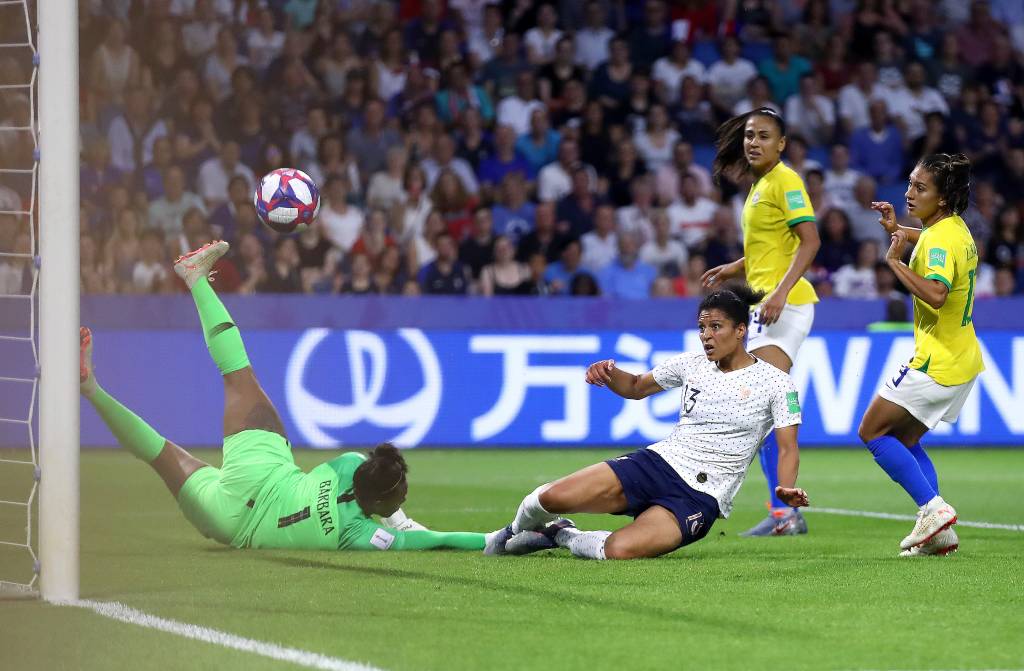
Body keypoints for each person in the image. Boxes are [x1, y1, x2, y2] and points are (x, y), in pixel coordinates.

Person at [79, 240, 488, 552]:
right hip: (232, 522)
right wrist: (493, 538)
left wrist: (399, 517)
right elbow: (434, 541)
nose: (404, 495)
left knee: (237, 374)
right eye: (400, 495)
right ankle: (90, 389)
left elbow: (379, 487)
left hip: (265, 468)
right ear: (382, 501)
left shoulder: (348, 464)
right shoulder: (356, 533)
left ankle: (196, 281)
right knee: (159, 454)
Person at [484, 286, 809, 560]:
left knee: (618, 550)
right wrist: (610, 374)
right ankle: (511, 533)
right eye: (702, 328)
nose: (706, 336)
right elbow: (636, 386)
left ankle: (560, 533)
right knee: (551, 497)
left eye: (716, 327)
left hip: (700, 498)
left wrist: (786, 488)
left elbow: (786, 447)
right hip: (658, 465)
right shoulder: (691, 364)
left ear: (741, 330)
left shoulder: (777, 383)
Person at [702, 107, 821, 537]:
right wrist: (735, 267)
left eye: (764, 136)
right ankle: (783, 512)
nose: (754, 142)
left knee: (758, 403)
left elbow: (810, 241)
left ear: (782, 144)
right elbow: (772, 246)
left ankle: (785, 512)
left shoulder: (786, 180)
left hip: (786, 306)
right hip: (766, 305)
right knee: (759, 408)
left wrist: (782, 292)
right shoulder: (760, 186)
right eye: (750, 135)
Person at [858, 153, 982, 557]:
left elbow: (936, 292)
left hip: (937, 361)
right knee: (906, 438)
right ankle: (939, 529)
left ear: (943, 198)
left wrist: (894, 261)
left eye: (920, 188)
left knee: (873, 432)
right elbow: (930, 241)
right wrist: (900, 231)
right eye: (910, 184)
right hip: (962, 357)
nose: (909, 193)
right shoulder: (953, 229)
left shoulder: (940, 240)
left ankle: (933, 509)